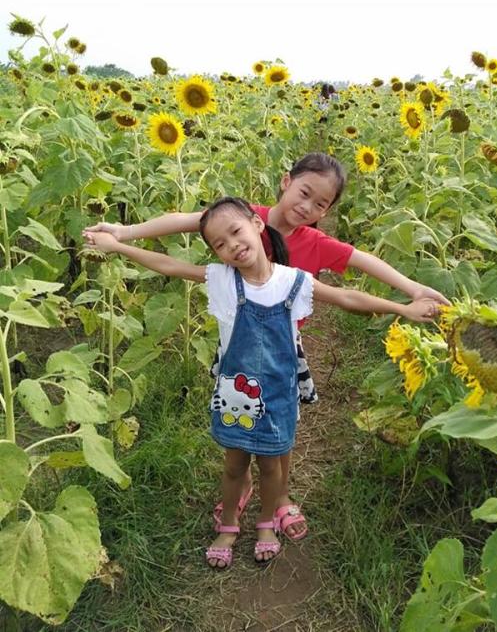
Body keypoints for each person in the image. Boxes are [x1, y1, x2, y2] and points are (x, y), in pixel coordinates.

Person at [83, 153, 449, 541]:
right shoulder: (241, 219)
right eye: (304, 193)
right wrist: (124, 233)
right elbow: (185, 221)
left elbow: (361, 268)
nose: (306, 207)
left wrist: (412, 291)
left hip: (283, 346)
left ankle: (281, 498)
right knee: (238, 433)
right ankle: (239, 489)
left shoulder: (314, 243)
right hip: (239, 341)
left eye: (320, 204)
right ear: (285, 181)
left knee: (279, 429)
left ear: (327, 210)